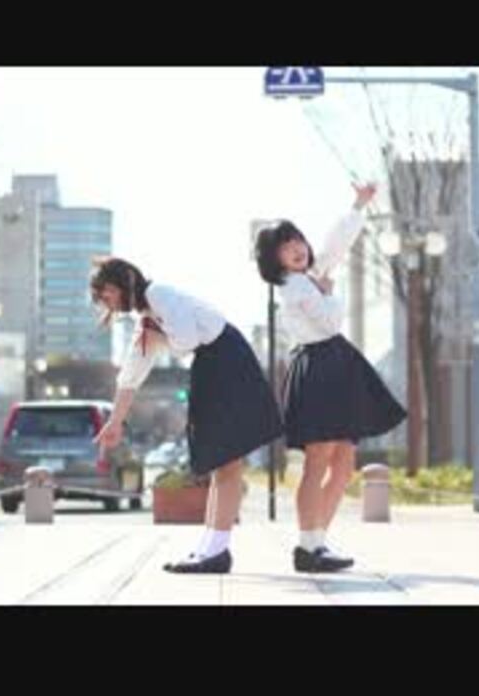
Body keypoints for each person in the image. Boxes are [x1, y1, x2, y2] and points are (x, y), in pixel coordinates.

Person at [90, 258, 283, 574]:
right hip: (211, 365)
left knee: (227, 460)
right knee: (220, 463)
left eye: (106, 292)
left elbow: (186, 341)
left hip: (227, 360)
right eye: (101, 297)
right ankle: (210, 548)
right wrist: (114, 422)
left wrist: (157, 332)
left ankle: (216, 551)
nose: (106, 301)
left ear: (122, 282)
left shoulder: (159, 295)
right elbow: (131, 374)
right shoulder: (148, 318)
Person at [255, 183, 407, 573]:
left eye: (297, 240)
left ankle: (317, 542)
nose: (297, 248)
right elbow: (329, 321)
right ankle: (308, 546)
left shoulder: (308, 276)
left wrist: (358, 205)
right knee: (319, 460)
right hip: (319, 367)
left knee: (343, 461)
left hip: (336, 365)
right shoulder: (294, 287)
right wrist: (329, 293)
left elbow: (335, 246)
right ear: (274, 259)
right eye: (286, 246)